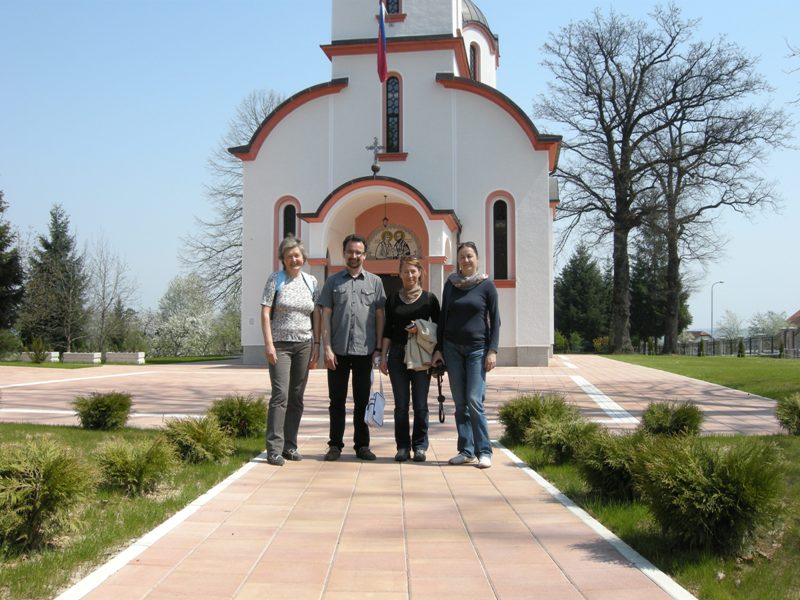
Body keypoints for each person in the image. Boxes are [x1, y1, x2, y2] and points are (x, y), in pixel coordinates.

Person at [431, 241, 500, 469]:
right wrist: (439, 348)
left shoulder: (487, 285)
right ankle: (466, 450)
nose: (466, 260)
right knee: (460, 403)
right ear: (458, 261)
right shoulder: (451, 284)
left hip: (477, 350)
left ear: (477, 259)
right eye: (462, 257)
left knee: (473, 400)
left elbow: (495, 320)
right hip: (452, 349)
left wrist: (492, 350)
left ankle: (484, 451)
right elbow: (443, 318)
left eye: (470, 256)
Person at [318, 234, 386, 461]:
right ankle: (335, 445)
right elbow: (325, 316)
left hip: (365, 352)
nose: (354, 256)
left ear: (364, 255)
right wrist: (327, 348)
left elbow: (380, 316)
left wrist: (378, 348)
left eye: (358, 252)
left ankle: (362, 445)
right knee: (336, 402)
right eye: (350, 252)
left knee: (362, 402)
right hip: (337, 351)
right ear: (344, 253)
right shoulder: (332, 282)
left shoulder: (375, 282)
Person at [260, 234, 320, 467]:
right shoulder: (276, 279)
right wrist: (268, 344)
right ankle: (274, 449)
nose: (294, 260)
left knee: (296, 396)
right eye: (289, 257)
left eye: (297, 256)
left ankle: (290, 446)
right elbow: (266, 312)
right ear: (283, 260)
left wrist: (316, 344)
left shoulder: (311, 281)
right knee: (280, 395)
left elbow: (316, 313)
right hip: (280, 345)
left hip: (304, 344)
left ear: (303, 257)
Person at [379, 257, 440, 462]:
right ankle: (403, 447)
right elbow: (388, 330)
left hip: (422, 356)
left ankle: (420, 446)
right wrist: (383, 356)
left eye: (413, 271)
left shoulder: (430, 299)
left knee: (420, 405)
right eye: (406, 271)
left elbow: (439, 329)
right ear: (400, 273)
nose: (410, 275)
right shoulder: (392, 300)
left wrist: (421, 330)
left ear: (420, 272)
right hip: (397, 355)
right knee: (401, 406)